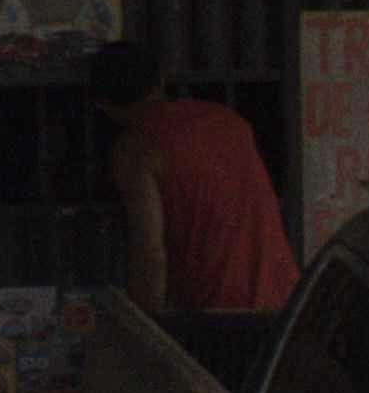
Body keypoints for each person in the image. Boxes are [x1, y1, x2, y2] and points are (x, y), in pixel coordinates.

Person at [90, 40, 302, 315]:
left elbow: (150, 254)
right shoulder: (228, 121)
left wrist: (143, 326)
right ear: (160, 82)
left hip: (218, 312)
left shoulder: (136, 149)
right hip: (286, 301)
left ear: (103, 103)